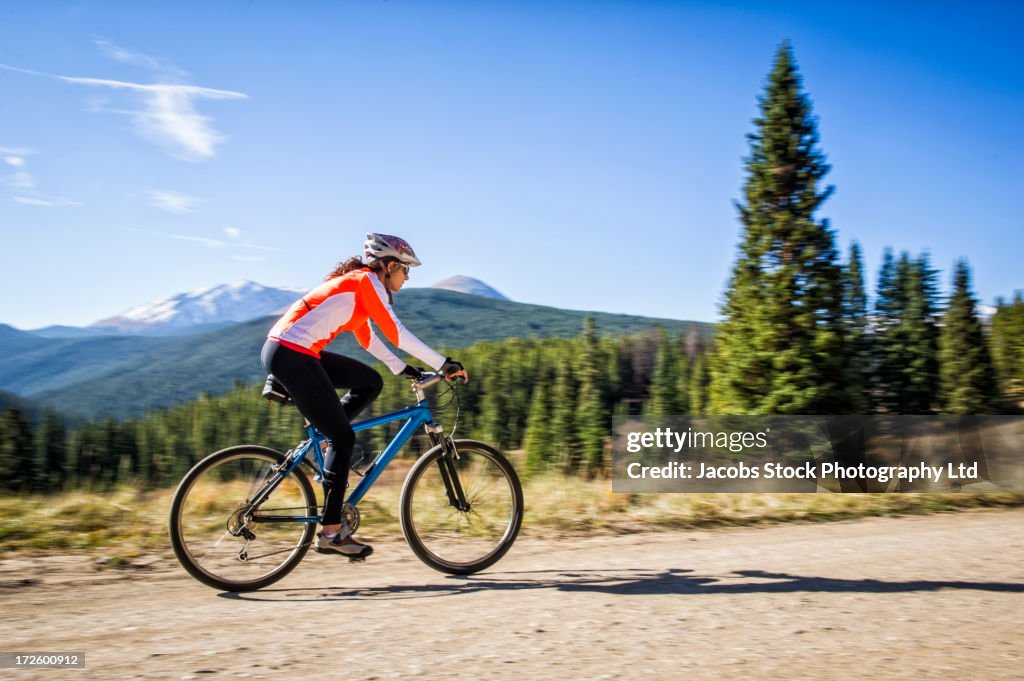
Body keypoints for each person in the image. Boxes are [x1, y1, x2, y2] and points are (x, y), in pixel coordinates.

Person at [261, 233, 467, 559]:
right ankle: (330, 532)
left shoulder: (359, 287)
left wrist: (404, 370)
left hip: (293, 352)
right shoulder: (366, 281)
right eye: (404, 269)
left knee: (370, 382)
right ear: (387, 266)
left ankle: (330, 439)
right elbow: (396, 332)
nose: (408, 276)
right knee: (343, 439)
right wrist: (444, 363)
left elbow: (369, 339)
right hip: (291, 353)